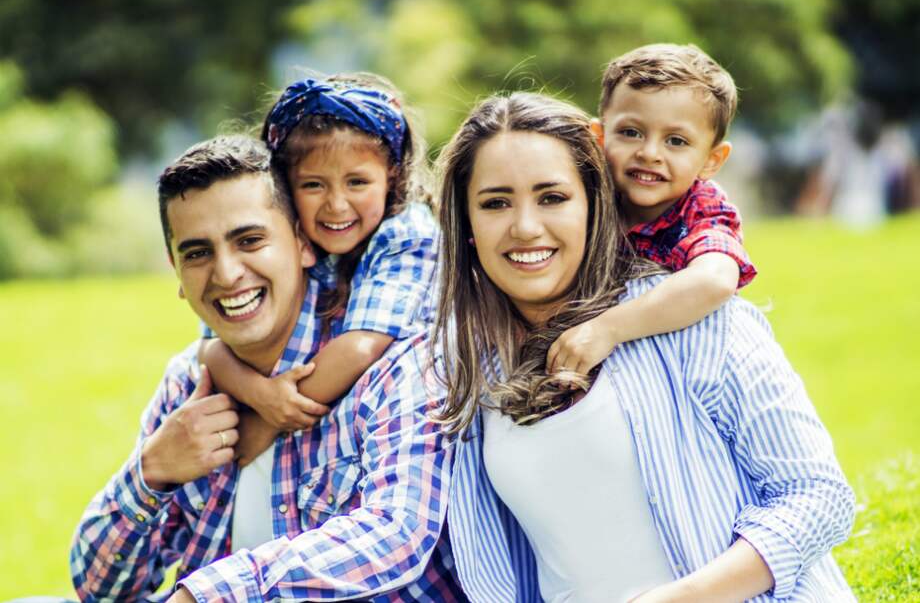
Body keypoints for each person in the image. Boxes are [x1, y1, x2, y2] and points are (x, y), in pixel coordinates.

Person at [433, 92, 855, 602]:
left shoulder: (692, 321)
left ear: (594, 203)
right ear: (468, 226)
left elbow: (818, 498)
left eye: (552, 197)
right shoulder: (467, 371)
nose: (525, 227)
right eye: (496, 202)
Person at [70, 135, 463, 601]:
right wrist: (151, 472)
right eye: (197, 253)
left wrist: (210, 595)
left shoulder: (392, 363)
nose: (227, 274)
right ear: (176, 272)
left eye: (250, 240)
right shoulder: (190, 385)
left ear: (302, 244)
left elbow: (397, 536)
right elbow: (100, 590)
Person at [198, 73, 439, 466]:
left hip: (403, 431)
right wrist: (261, 394)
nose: (337, 205)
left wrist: (269, 419)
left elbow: (362, 346)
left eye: (357, 182)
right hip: (313, 441)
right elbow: (210, 347)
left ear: (391, 175)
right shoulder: (285, 240)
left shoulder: (407, 234)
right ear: (284, 187)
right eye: (313, 185)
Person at [547, 43, 757, 377]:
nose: (649, 153)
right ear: (599, 137)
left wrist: (608, 329)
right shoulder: (588, 195)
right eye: (631, 133)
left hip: (673, 364)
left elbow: (715, 280)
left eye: (676, 141)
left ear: (711, 160)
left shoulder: (702, 207)